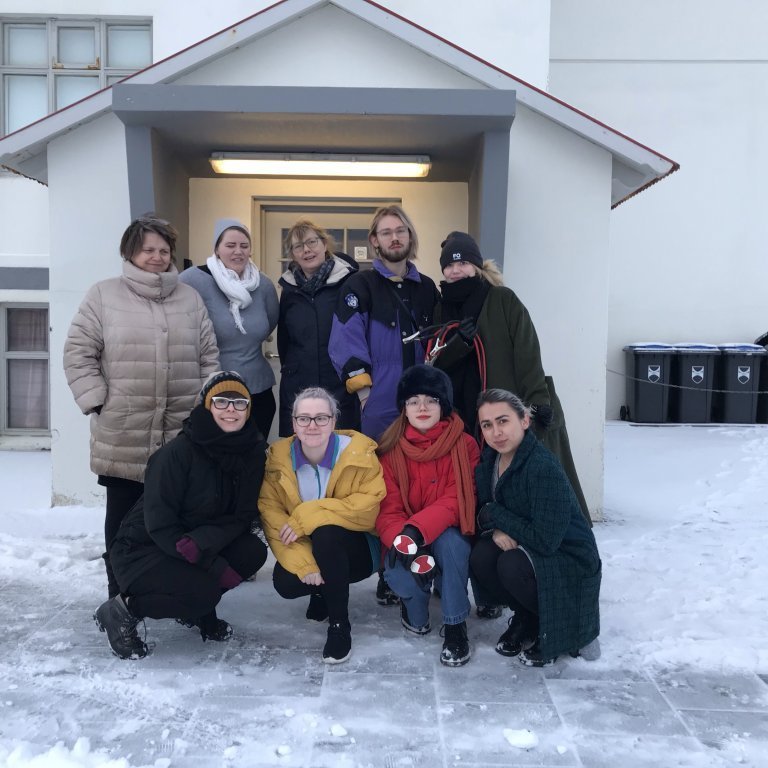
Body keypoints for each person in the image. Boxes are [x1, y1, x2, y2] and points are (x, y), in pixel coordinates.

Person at [63, 214, 219, 600]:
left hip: (181, 432)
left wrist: (204, 408)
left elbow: (208, 357)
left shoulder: (189, 298)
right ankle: (119, 599)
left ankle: (183, 598)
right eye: (148, 249)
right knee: (121, 521)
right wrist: (98, 402)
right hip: (123, 430)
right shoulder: (104, 294)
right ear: (130, 252)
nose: (156, 256)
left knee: (180, 520)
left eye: (164, 250)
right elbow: (79, 352)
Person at [93, 371, 269, 660]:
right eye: (222, 401)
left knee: (251, 552)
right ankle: (122, 610)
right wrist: (209, 561)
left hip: (196, 542)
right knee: (203, 591)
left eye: (239, 403)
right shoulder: (176, 455)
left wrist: (202, 542)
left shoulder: (251, 453)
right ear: (207, 405)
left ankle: (199, 609)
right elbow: (161, 526)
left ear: (249, 409)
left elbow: (243, 515)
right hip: (145, 550)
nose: (230, 410)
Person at [329, 205, 439, 607]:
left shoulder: (427, 287)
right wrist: (364, 394)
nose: (395, 238)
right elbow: (344, 341)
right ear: (373, 240)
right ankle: (389, 572)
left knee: (422, 485)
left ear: (409, 238)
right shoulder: (360, 285)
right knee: (384, 491)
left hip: (422, 405)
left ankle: (425, 560)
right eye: (386, 232)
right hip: (379, 404)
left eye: (401, 231)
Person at [471, 389, 601, 667]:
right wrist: (496, 527)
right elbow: (482, 512)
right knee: (482, 555)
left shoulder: (542, 467)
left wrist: (496, 515)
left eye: (503, 421)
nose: (496, 432)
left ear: (524, 421)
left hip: (567, 554)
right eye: (487, 425)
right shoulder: (488, 461)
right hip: (528, 541)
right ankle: (527, 615)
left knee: (510, 564)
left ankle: (552, 624)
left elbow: (545, 540)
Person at [259, 387, 385, 664]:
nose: (312, 425)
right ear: (293, 423)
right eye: (304, 418)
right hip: (312, 548)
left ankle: (340, 625)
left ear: (333, 420)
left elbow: (368, 511)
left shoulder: (359, 453)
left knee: (327, 533)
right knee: (286, 582)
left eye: (321, 418)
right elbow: (272, 514)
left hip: (360, 548)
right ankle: (321, 589)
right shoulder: (278, 461)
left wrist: (309, 514)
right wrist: (306, 565)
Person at [376, 365, 480, 667]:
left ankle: (456, 625)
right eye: (413, 401)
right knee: (404, 580)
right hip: (405, 535)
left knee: (452, 545)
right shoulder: (389, 448)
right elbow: (387, 510)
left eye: (431, 400)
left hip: (444, 529)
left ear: (443, 405)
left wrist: (416, 530)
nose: (422, 407)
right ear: (404, 408)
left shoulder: (464, 445)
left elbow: (457, 499)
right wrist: (407, 544)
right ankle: (413, 606)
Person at [179, 219, 279, 439]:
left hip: (257, 390)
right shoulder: (192, 280)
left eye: (244, 246)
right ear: (216, 248)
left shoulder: (262, 285)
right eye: (230, 245)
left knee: (254, 459)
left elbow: (269, 323)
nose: (238, 252)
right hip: (212, 391)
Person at [277, 220, 359, 437]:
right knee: (299, 452)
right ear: (293, 254)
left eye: (312, 242)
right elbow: (284, 341)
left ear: (324, 244)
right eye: (298, 246)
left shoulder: (349, 282)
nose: (306, 250)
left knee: (341, 451)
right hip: (299, 385)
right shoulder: (288, 290)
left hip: (340, 385)